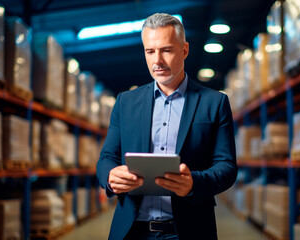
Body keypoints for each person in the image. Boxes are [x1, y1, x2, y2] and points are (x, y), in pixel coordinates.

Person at [96, 13, 237, 240]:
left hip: (190, 231)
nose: (157, 61)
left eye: (166, 50)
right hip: (132, 231)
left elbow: (227, 166)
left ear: (184, 50)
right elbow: (106, 158)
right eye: (150, 51)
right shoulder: (125, 102)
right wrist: (110, 177)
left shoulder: (215, 102)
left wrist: (193, 183)